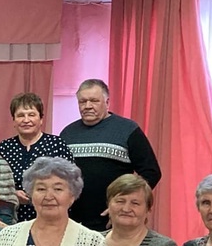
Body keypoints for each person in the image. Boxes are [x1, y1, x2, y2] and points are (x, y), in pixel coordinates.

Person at [60, 79, 161, 232]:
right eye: (83, 101)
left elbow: (151, 172)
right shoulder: (68, 133)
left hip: (114, 221)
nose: (88, 106)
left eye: (94, 101)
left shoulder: (127, 129)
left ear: (107, 102)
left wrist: (125, 204)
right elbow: (60, 176)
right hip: (75, 222)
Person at [0, 92, 74, 223]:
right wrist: (13, 195)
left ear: (41, 119)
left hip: (50, 216)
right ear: (14, 121)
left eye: (31, 115)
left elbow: (70, 183)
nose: (26, 120)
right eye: (20, 115)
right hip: (11, 219)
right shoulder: (4, 148)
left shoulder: (57, 145)